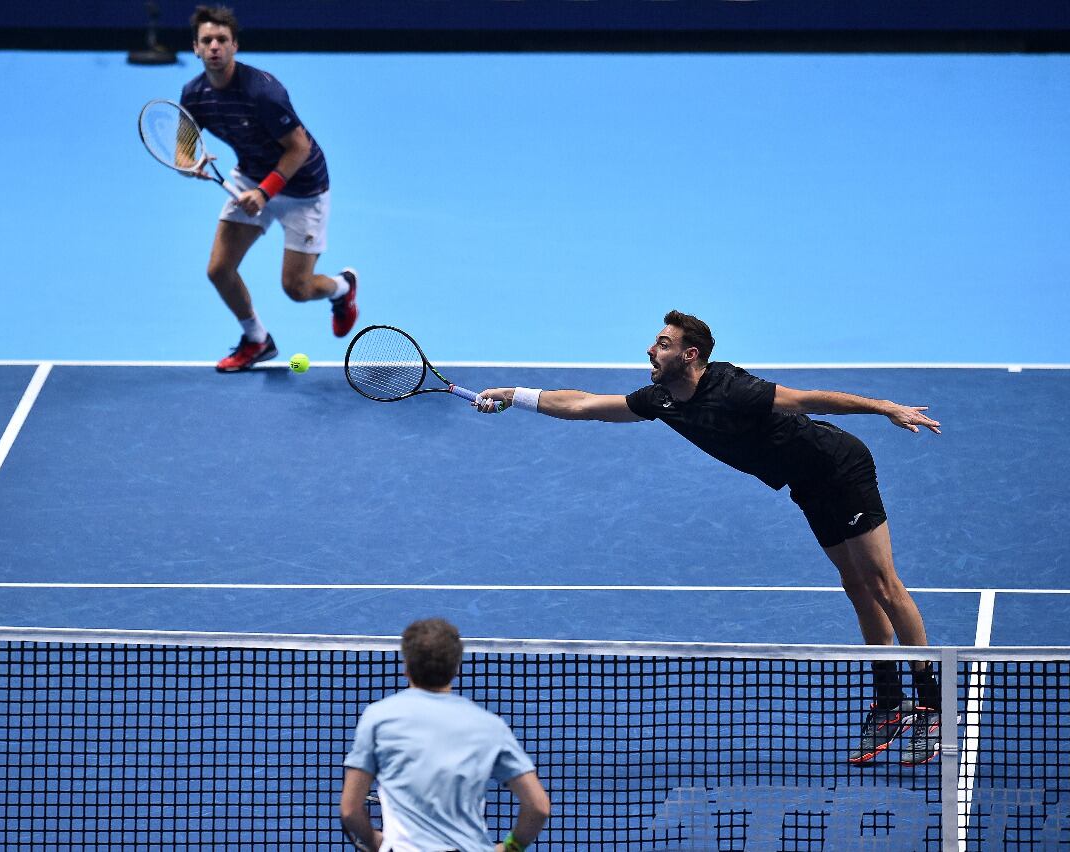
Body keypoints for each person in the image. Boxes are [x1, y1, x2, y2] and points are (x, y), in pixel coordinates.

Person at [475, 310, 944, 767]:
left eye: (663, 343)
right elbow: (582, 404)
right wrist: (512, 394)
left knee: (883, 585)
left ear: (690, 354)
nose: (650, 349)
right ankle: (889, 702)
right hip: (806, 485)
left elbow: (807, 401)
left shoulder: (732, 387)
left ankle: (930, 707)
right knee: (856, 587)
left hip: (841, 469)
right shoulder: (661, 400)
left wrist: (886, 408)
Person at [181, 5, 358, 372]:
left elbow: (299, 148)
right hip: (251, 174)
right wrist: (190, 165)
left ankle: (342, 288)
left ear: (235, 46)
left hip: (302, 187)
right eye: (207, 40)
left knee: (297, 289)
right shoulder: (194, 95)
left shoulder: (263, 92)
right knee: (219, 270)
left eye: (222, 40)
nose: (214, 46)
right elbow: (183, 149)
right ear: (196, 48)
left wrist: (264, 193)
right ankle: (257, 340)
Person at [340, 618, 550, 852]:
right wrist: (509, 848)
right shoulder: (489, 726)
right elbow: (538, 806)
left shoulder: (378, 718)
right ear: (456, 668)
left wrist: (375, 842)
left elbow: (350, 809)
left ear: (406, 667)